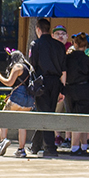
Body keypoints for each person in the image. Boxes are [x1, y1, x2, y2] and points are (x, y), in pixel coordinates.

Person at [27, 17, 67, 156]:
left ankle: (50, 147)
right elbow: (63, 67)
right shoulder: (59, 46)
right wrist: (62, 88)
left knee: (44, 113)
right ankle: (36, 145)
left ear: (38, 29)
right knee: (47, 111)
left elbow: (33, 63)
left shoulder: (35, 44)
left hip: (41, 80)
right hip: (56, 82)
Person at [62, 32, 89, 154]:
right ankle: (83, 146)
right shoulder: (88, 60)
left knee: (74, 117)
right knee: (84, 118)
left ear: (75, 43)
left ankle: (74, 146)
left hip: (70, 90)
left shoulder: (67, 59)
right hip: (85, 90)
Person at [0, 50, 37, 157]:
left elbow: (10, 82)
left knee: (2, 118)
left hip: (18, 97)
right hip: (29, 100)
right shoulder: (29, 67)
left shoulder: (18, 67)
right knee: (22, 125)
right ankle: (21, 150)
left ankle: (3, 140)